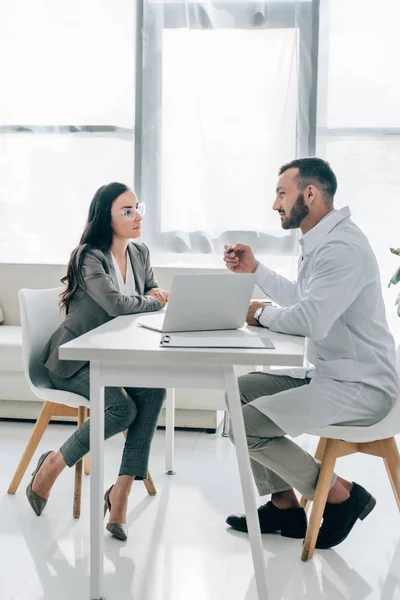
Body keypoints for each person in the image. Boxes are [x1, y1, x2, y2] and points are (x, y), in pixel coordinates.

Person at [223, 157, 399, 549]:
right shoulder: (323, 239)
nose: (275, 205)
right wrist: (255, 271)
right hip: (332, 374)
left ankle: (340, 494)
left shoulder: (341, 247)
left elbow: (312, 320)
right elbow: (307, 299)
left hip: (362, 387)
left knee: (242, 424)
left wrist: (261, 314)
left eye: (281, 194)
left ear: (310, 194)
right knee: (237, 393)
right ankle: (285, 507)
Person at [27, 182, 168, 541]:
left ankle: (119, 493)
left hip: (115, 356)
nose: (137, 216)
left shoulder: (139, 253)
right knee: (121, 409)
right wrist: (154, 300)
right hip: (71, 361)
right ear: (106, 217)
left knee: (153, 389)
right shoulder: (89, 256)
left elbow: (150, 288)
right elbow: (120, 305)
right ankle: (51, 465)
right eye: (126, 210)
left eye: (138, 207)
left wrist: (151, 297)